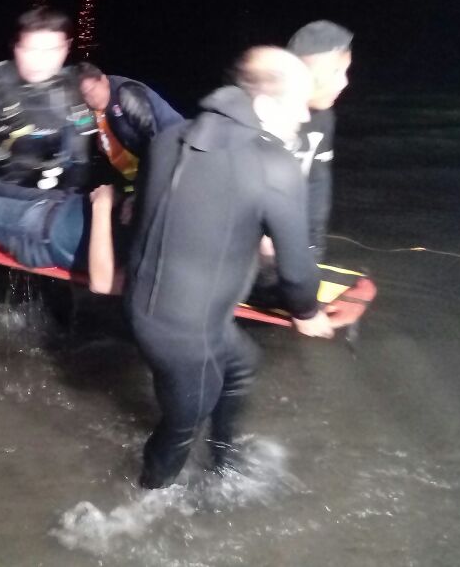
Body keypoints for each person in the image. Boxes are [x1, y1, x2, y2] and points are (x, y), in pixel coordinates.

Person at [125, 46, 336, 490]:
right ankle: (145, 501)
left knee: (242, 363)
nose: (303, 114)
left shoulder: (170, 136)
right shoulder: (273, 165)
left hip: (150, 306)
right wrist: (307, 313)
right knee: (182, 425)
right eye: (297, 102)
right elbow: (297, 273)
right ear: (262, 103)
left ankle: (223, 464)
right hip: (186, 334)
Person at [0, 8, 95, 191]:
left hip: (41, 191)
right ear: (16, 47)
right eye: (30, 49)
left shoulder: (75, 93)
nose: (41, 60)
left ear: (67, 47)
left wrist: (71, 193)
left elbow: (79, 158)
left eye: (53, 50)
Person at [285, 20, 353, 262]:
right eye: (336, 72)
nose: (345, 82)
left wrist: (314, 251)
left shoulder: (323, 117)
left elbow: (317, 185)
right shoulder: (261, 114)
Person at [76, 62, 184, 183]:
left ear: (103, 79)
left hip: (176, 160)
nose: (91, 98)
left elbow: (155, 140)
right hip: (131, 175)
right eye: (85, 95)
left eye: (92, 90)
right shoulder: (87, 109)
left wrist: (146, 187)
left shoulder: (127, 94)